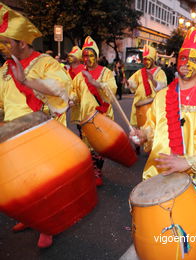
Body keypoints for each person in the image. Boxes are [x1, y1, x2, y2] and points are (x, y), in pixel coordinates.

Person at [129, 27, 196, 216]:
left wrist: (188, 162)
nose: (186, 63)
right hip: (156, 174)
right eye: (183, 58)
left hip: (192, 182)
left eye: (193, 59)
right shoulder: (162, 96)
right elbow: (152, 125)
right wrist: (143, 134)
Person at [0, 3, 71, 248]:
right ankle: (28, 218)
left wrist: (27, 80)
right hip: (11, 137)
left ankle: (47, 225)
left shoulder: (46, 63)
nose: (3, 46)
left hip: (39, 134)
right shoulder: (4, 69)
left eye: (7, 42)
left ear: (22, 42)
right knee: (21, 183)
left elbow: (61, 90)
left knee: (42, 183)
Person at [70, 36, 117, 187]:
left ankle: (97, 170)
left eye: (91, 55)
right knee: (87, 145)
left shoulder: (106, 73)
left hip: (102, 115)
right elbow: (74, 93)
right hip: (85, 116)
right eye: (85, 55)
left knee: (99, 145)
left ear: (96, 56)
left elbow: (111, 91)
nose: (88, 58)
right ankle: (92, 169)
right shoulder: (79, 76)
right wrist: (70, 99)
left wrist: (95, 83)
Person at [127, 45, 167, 127]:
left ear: (153, 60)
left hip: (152, 104)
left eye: (148, 59)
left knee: (151, 127)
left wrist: (153, 80)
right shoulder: (140, 72)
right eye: (144, 60)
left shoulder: (160, 72)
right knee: (139, 127)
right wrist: (128, 83)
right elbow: (133, 83)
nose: (146, 62)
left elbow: (163, 88)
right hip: (139, 102)